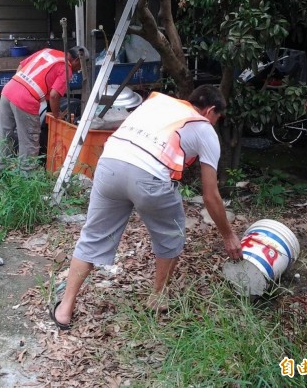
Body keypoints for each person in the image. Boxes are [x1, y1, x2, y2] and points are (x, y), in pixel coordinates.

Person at [50, 85, 243, 329]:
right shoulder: (204, 129)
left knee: (92, 238)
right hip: (149, 176)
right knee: (172, 235)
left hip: (109, 166)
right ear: (211, 111)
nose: (215, 123)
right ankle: (157, 297)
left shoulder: (156, 103)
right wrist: (229, 235)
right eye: (217, 118)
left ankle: (65, 309)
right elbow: (210, 195)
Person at [0, 45, 88, 173]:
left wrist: (20, 87)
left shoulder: (48, 51)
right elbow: (54, 95)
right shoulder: (67, 69)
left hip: (9, 89)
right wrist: (57, 115)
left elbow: (21, 66)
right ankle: (27, 176)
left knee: (3, 133)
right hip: (26, 99)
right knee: (29, 140)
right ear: (76, 60)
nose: (78, 70)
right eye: (80, 67)